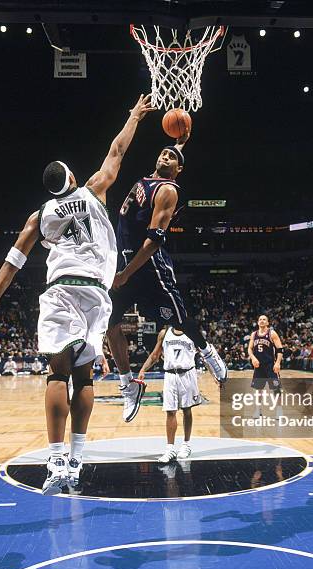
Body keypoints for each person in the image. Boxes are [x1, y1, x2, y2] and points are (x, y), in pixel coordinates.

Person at [0, 94, 154, 494]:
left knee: (56, 374)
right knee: (84, 379)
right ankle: (78, 460)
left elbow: (13, 260)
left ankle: (55, 461)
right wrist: (133, 114)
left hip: (60, 289)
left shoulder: (39, 216)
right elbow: (117, 149)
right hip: (97, 292)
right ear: (72, 178)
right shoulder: (93, 190)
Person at [107, 133, 227, 423]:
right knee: (108, 323)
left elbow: (152, 242)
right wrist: (181, 141)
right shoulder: (149, 178)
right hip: (125, 261)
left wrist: (124, 274)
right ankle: (128, 386)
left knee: (178, 319)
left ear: (179, 169)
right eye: (163, 153)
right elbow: (172, 153)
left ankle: (207, 352)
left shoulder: (167, 191)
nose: (165, 156)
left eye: (171, 157)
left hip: (149, 267)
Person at [138, 327, 201, 463]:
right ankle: (170, 448)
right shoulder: (164, 333)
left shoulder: (192, 332)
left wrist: (216, 375)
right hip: (170, 375)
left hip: (188, 374)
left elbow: (205, 354)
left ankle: (186, 445)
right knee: (170, 412)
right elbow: (155, 355)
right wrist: (143, 369)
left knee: (186, 410)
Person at [247, 315, 283, 393]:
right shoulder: (254, 334)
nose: (262, 321)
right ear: (258, 322)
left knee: (276, 388)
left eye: (264, 319)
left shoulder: (272, 333)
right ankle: (258, 406)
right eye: (260, 319)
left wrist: (278, 363)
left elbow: (280, 349)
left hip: (270, 365)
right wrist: (253, 358)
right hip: (258, 365)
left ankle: (278, 405)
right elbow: (249, 349)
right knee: (258, 390)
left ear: (267, 322)